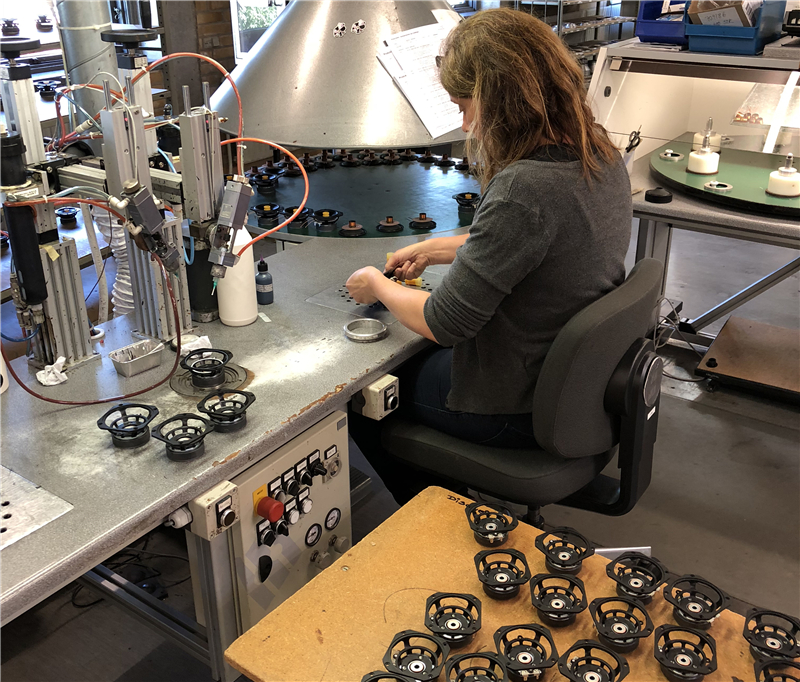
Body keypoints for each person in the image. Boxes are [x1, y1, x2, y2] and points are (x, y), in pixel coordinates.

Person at [345, 8, 632, 503]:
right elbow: (540, 243)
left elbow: (444, 323)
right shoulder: (598, 151)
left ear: (500, 101)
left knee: (367, 393)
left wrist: (377, 283)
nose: (465, 124)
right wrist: (434, 249)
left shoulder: (525, 188)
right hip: (576, 388)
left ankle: (431, 512)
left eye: (465, 106)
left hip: (513, 404)